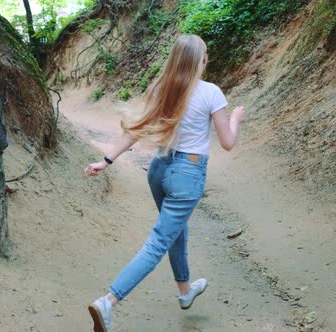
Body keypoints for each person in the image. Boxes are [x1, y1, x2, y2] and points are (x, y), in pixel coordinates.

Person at [83, 34, 246, 332]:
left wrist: (105, 161)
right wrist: (235, 118)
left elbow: (138, 130)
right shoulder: (212, 93)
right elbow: (228, 142)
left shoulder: (162, 89)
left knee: (175, 230)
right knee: (159, 242)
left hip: (160, 170)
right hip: (187, 175)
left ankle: (185, 292)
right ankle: (108, 301)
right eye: (205, 54)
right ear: (202, 60)